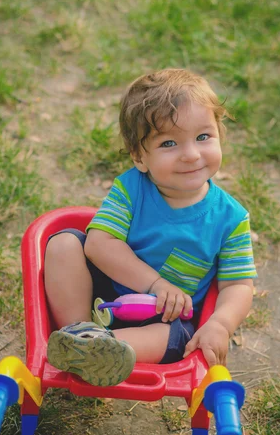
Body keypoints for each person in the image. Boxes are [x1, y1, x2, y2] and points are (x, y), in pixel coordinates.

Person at [44, 68, 257, 387]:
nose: (191, 154)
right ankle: (79, 334)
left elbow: (238, 284)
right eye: (169, 143)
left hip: (167, 319)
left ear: (219, 135)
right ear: (139, 157)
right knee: (63, 243)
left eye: (203, 137)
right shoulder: (131, 189)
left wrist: (221, 324)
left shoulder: (230, 217)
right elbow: (98, 244)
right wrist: (155, 283)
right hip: (105, 296)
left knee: (170, 335)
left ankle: (104, 353)